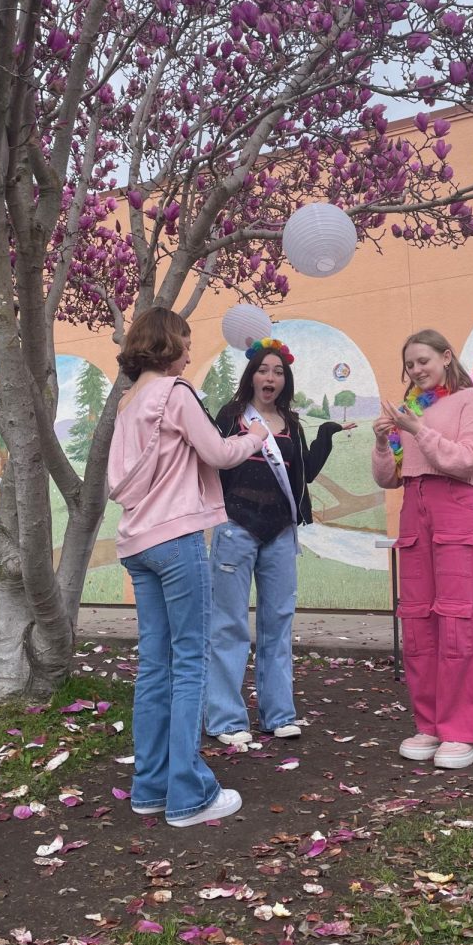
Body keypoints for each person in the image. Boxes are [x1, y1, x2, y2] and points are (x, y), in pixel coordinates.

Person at [107, 307, 269, 826]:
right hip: (177, 539)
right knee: (190, 663)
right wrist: (257, 439)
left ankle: (150, 786)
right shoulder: (176, 394)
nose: (191, 350)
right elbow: (219, 452)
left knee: (155, 666)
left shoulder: (128, 403)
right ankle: (188, 795)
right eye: (185, 340)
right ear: (167, 344)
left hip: (137, 543)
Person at [205, 338, 354, 745]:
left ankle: (278, 714)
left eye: (278, 372)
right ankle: (226, 719)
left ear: (284, 380)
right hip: (236, 529)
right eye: (263, 369)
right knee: (229, 625)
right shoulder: (232, 416)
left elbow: (302, 473)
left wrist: (325, 433)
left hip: (280, 533)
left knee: (278, 624)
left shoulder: (291, 422)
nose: (270, 377)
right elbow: (213, 461)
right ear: (251, 375)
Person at [372, 329, 473, 770]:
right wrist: (384, 441)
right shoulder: (414, 410)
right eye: (409, 364)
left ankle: (463, 731)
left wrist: (417, 429)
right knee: (418, 619)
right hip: (414, 512)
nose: (416, 370)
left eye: (423, 360)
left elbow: (466, 460)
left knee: (458, 617)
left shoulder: (471, 400)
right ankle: (430, 724)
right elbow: (389, 478)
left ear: (445, 356)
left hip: (456, 508)